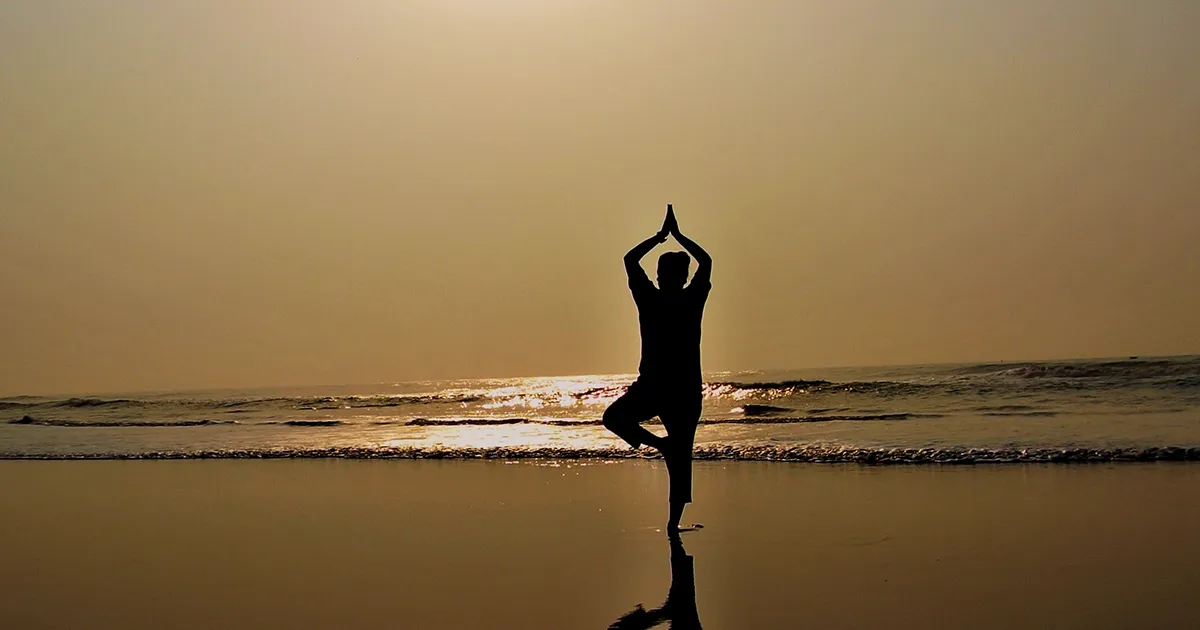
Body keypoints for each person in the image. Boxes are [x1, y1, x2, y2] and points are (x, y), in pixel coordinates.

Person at [603, 204, 712, 535]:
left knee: (621, 422)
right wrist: (676, 236)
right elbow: (706, 262)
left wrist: (661, 237)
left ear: (668, 277)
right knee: (673, 453)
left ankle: (672, 521)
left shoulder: (655, 298)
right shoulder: (684, 299)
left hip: (667, 388)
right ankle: (663, 453)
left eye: (668, 275)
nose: (666, 279)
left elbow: (630, 260)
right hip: (668, 388)